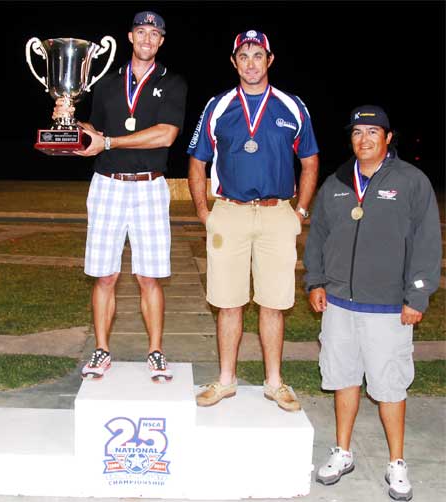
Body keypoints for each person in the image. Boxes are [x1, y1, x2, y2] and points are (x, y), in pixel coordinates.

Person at [304, 105, 441, 502]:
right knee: (343, 379)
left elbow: (426, 243)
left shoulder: (411, 182)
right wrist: (315, 281)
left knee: (389, 386)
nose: (363, 140)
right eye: (357, 132)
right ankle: (343, 451)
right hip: (340, 305)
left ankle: (396, 462)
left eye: (372, 132)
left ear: (388, 137)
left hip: (388, 308)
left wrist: (417, 294)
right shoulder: (335, 183)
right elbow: (318, 239)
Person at [187, 30, 319, 410]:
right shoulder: (218, 105)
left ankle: (274, 382)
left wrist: (300, 212)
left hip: (278, 213)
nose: (250, 63)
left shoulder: (292, 106)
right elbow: (197, 161)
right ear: (234, 62)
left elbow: (310, 161)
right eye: (243, 56)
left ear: (269, 60)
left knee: (273, 303)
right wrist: (202, 211)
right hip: (229, 212)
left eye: (257, 55)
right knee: (228, 303)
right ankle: (226, 380)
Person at [53, 11, 187, 381]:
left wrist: (108, 142)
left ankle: (156, 351)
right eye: (141, 31)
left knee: (150, 277)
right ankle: (101, 350)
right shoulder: (108, 83)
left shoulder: (173, 83)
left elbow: (165, 135)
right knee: (105, 276)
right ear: (130, 37)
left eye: (154, 33)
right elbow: (95, 131)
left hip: (149, 186)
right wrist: (69, 119)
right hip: (107, 184)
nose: (147, 38)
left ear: (161, 41)